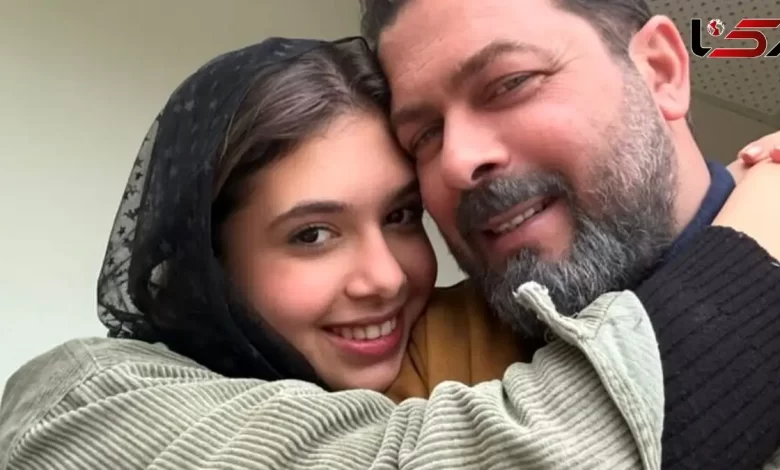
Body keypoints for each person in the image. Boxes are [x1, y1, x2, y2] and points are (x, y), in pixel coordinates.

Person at [0, 37, 778, 470]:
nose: (385, 277)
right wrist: (757, 237)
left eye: (402, 216)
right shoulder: (82, 402)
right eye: (312, 234)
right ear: (207, 260)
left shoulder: (444, 355)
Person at [360, 0, 780, 467]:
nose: (457, 162)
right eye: (424, 136)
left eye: (511, 83)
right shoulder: (418, 360)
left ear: (660, 73)